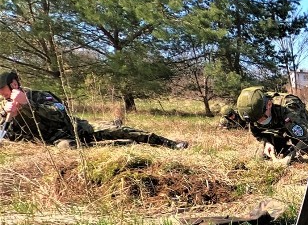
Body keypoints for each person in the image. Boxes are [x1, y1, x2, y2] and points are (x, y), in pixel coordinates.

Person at [0, 71, 188, 149]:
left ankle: (169, 144)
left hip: (76, 127)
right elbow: (7, 136)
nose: (1, 94)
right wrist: (12, 117)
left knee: (119, 130)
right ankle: (128, 146)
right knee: (68, 147)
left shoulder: (40, 96)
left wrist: (28, 105)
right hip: (59, 141)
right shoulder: (4, 109)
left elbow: (59, 114)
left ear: (14, 83)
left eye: (2, 89)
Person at [234, 86, 308, 163]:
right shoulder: (253, 115)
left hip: (298, 132)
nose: (259, 122)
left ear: (269, 104)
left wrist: (288, 158)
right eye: (255, 120)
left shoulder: (288, 107)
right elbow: (257, 134)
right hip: (277, 133)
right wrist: (267, 143)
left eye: (261, 118)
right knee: (260, 158)